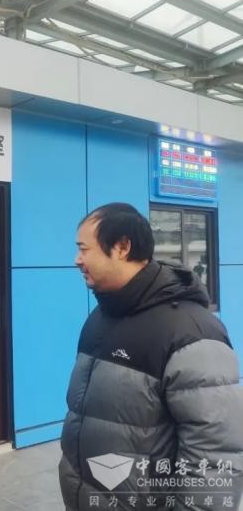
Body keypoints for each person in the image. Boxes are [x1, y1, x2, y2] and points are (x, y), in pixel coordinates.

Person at [59, 203, 243, 511]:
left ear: (122, 247)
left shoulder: (191, 332)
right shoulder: (100, 317)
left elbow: (215, 457)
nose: (77, 260)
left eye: (84, 249)